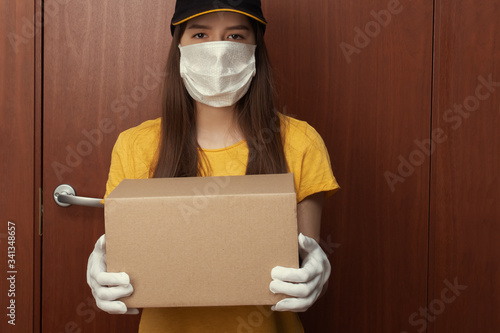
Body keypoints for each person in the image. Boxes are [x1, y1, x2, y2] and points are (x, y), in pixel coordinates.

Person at [86, 0, 340, 332]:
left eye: (235, 36)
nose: (218, 51)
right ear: (179, 45)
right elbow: (123, 258)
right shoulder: (137, 146)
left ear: (255, 48)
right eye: (201, 34)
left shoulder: (300, 143)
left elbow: (304, 262)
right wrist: (101, 261)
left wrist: (316, 271)